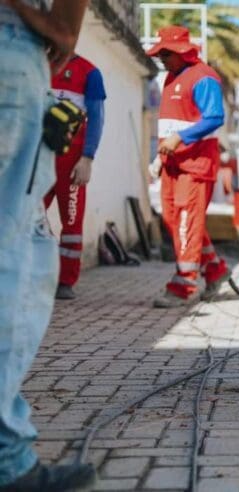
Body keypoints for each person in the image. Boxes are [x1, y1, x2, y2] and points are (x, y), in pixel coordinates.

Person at [0, 1, 98, 490]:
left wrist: (90, 156)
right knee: (12, 261)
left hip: (66, 154)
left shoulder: (94, 74)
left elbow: (94, 116)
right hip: (15, 48)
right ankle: (7, 461)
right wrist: (59, 29)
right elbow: (64, 24)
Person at [146, 26, 230, 308]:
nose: (162, 59)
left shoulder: (203, 78)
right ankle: (215, 269)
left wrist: (180, 139)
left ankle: (184, 285)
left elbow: (215, 117)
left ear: (182, 52)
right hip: (173, 164)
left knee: (186, 222)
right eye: (160, 54)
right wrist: (160, 158)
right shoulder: (171, 77)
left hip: (195, 166)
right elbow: (171, 125)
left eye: (166, 53)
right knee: (175, 221)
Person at [45, 54, 106, 300]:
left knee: (71, 222)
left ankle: (65, 281)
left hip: (71, 161)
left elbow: (97, 119)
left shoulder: (89, 72)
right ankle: (40, 271)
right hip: (39, 157)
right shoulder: (38, 62)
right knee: (28, 216)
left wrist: (87, 158)